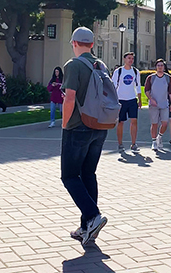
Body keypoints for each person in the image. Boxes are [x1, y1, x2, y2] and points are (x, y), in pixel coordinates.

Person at [61, 26, 108, 245]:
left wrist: (64, 124)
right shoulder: (101, 65)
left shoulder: (74, 65)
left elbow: (69, 98)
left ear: (74, 43)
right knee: (88, 173)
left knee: (70, 176)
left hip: (78, 127)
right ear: (91, 44)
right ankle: (86, 227)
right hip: (99, 127)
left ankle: (93, 215)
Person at [111, 52, 142, 152]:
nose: (131, 60)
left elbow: (138, 86)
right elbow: (113, 86)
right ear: (124, 59)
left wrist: (140, 99)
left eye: (132, 59)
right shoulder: (118, 71)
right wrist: (113, 100)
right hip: (120, 100)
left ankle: (133, 144)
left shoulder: (136, 72)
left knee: (134, 121)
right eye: (129, 58)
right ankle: (120, 144)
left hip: (132, 100)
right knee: (120, 122)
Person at [145, 59, 171, 151]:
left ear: (164, 67)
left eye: (161, 65)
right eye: (158, 65)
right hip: (154, 105)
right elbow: (147, 90)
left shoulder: (168, 78)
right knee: (154, 124)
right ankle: (153, 142)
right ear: (156, 67)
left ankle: (159, 137)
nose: (160, 67)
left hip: (164, 104)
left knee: (165, 123)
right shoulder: (151, 78)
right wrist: (151, 99)